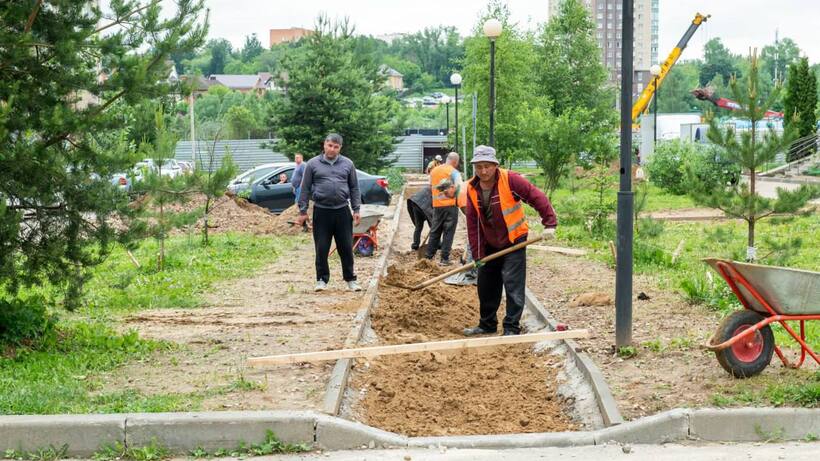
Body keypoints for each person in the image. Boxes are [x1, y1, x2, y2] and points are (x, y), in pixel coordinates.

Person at [463, 146, 557, 336]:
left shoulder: (510, 179)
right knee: (486, 284)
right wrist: (478, 253)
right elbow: (473, 224)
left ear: (495, 165)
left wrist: (549, 223)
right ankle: (487, 324)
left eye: (487, 166)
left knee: (513, 284)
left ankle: (511, 327)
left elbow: (535, 196)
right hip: (490, 243)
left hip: (514, 240)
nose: (483, 171)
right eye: (479, 167)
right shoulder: (472, 188)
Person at [295, 134, 362, 292]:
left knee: (345, 247)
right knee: (322, 247)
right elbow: (304, 189)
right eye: (330, 145)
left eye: (336, 147)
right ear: (324, 145)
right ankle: (321, 280)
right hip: (322, 211)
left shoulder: (348, 164)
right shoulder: (312, 164)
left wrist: (356, 209)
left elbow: (354, 188)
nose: (332, 149)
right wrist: (302, 211)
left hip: (342, 211)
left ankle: (350, 279)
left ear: (340, 148)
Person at [426, 152, 462, 265]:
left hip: (437, 206)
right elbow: (459, 187)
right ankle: (444, 259)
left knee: (435, 231)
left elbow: (430, 186)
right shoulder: (454, 172)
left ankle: (428, 257)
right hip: (451, 206)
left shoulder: (434, 170)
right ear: (455, 162)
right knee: (448, 232)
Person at [406, 187, 434, 251]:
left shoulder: (430, 188)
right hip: (422, 205)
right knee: (434, 227)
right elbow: (432, 211)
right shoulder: (436, 192)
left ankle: (415, 245)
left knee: (418, 227)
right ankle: (438, 244)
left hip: (415, 203)